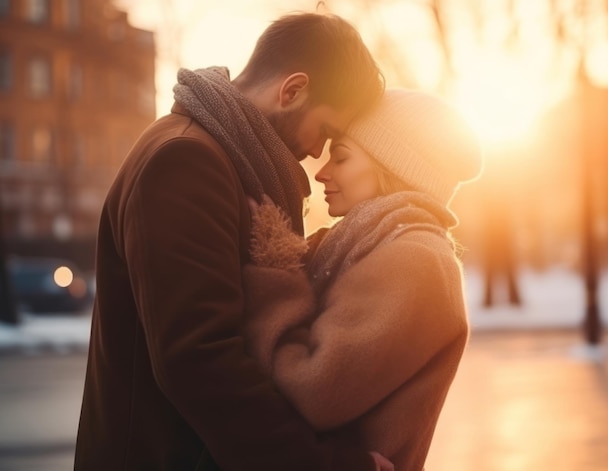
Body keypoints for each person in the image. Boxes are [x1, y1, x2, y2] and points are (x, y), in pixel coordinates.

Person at [74, 12, 389, 471]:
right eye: (324, 131)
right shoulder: (185, 161)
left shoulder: (222, 157)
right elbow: (201, 362)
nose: (318, 153)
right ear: (292, 90)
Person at [242, 89, 484, 470]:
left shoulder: (415, 259)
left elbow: (315, 392)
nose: (321, 172)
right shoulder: (367, 245)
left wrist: (273, 267)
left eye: (340, 157)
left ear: (393, 169)